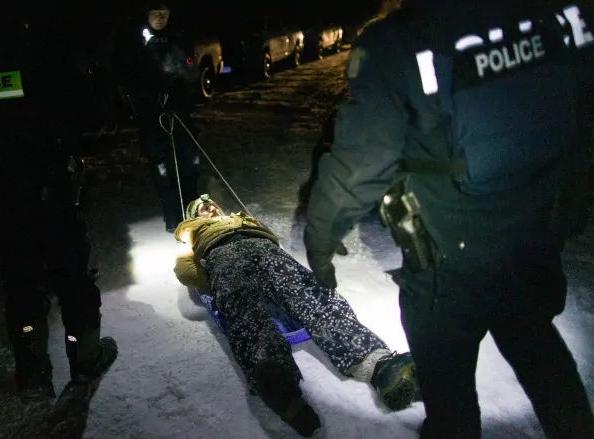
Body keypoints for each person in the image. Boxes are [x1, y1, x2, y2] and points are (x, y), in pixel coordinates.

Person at [303, 1, 594, 438]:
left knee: (448, 385)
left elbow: (360, 161)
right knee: (537, 342)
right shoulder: (551, 14)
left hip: (446, 257)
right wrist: (569, 209)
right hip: (533, 232)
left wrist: (321, 239)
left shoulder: (395, 42)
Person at [0, 1, 118, 404]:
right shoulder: (40, 56)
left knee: (21, 282)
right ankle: (84, 362)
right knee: (72, 279)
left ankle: (33, 376)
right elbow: (91, 118)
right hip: (48, 190)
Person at [173, 194, 418, 438]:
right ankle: (279, 387)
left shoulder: (240, 218)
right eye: (203, 208)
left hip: (265, 249)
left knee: (313, 295)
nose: (210, 208)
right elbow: (185, 269)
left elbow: (271, 238)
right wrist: (215, 278)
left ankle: (377, 364)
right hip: (222, 256)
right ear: (194, 216)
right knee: (244, 312)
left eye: (212, 204)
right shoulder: (190, 231)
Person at [114, 1, 201, 232]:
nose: (160, 19)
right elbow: (126, 76)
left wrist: (179, 92)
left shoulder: (178, 37)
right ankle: (173, 217)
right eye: (156, 14)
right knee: (162, 166)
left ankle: (193, 212)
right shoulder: (135, 41)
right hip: (151, 115)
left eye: (164, 14)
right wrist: (149, 96)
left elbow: (190, 70)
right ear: (147, 15)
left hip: (178, 111)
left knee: (189, 161)